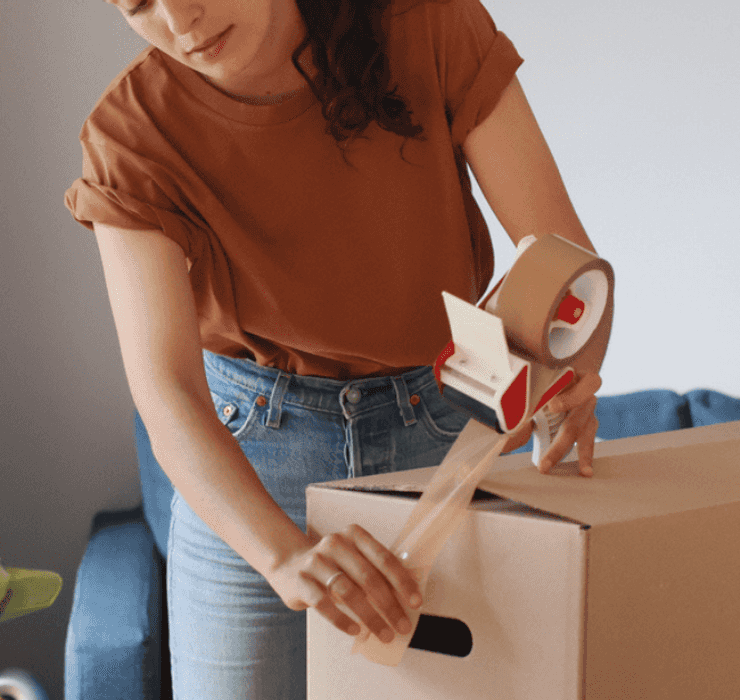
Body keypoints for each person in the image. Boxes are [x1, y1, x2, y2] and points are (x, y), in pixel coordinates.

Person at [64, 0, 605, 697]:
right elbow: (165, 387)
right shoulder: (128, 136)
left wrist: (555, 374)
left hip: (443, 426)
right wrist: (283, 556)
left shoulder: (428, 23)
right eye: (138, 4)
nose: (179, 19)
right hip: (252, 462)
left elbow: (556, 255)